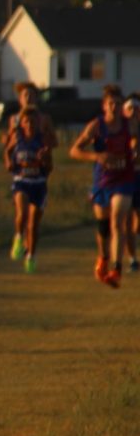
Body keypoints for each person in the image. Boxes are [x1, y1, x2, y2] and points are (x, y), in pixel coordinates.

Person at [69, 84, 138, 288]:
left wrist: (135, 151)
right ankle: (103, 258)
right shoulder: (96, 126)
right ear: (104, 106)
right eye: (111, 104)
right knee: (104, 228)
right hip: (102, 182)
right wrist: (96, 156)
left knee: (118, 222)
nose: (115, 107)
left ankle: (116, 270)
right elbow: (74, 150)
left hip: (124, 180)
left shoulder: (130, 125)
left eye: (118, 104)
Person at [4, 107, 53, 273]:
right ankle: (18, 237)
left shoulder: (43, 140)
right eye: (27, 121)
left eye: (33, 121)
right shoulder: (17, 138)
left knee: (33, 225)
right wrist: (9, 163)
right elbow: (8, 151)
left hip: (38, 184)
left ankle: (31, 255)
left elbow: (50, 167)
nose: (30, 124)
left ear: (38, 123)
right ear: (22, 124)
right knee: (22, 212)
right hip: (21, 181)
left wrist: (43, 159)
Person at [124, 92, 140, 272]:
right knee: (126, 220)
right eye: (130, 109)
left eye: (136, 109)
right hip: (125, 177)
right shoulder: (119, 130)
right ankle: (132, 259)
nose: (133, 113)